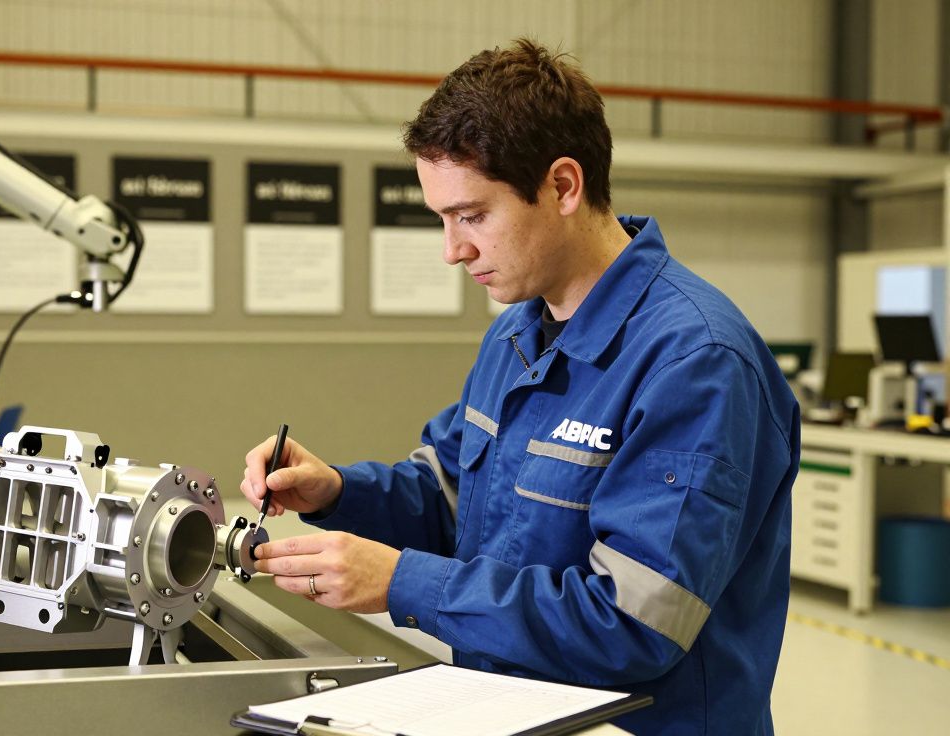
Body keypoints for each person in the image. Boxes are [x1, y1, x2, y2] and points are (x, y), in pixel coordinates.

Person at [240, 38, 799, 735]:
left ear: (563, 186)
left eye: (472, 216)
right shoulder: (515, 336)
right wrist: (338, 492)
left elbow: (631, 622)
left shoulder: (695, 360)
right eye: (442, 220)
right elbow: (454, 500)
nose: (453, 250)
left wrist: (402, 582)